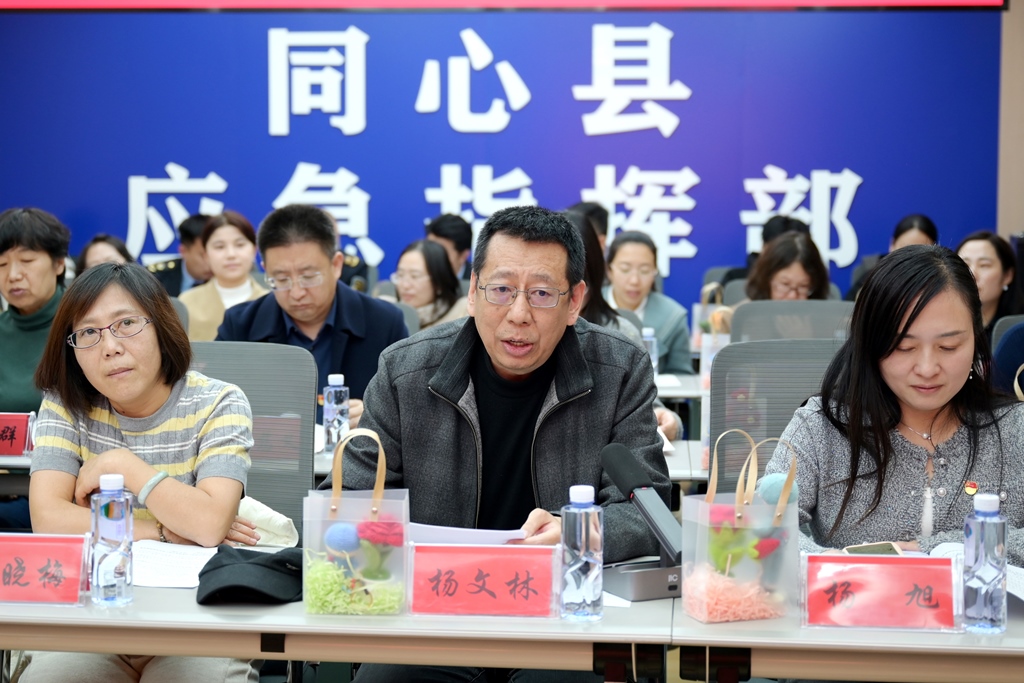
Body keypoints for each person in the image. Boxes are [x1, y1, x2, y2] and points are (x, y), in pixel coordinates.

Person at [333, 206, 670, 682]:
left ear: (575, 301)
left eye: (542, 293)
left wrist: (578, 531)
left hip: (565, 610)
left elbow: (649, 511)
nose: (518, 314)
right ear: (473, 292)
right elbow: (351, 498)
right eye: (502, 289)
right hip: (436, 614)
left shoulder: (620, 369)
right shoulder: (404, 371)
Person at [15, 261, 258, 682]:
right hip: (87, 619)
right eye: (88, 333)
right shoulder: (64, 403)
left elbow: (208, 523)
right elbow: (49, 520)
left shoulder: (219, 402)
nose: (109, 347)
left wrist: (120, 465)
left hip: (196, 621)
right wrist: (163, 530)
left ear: (161, 326)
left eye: (126, 324)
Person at [764, 245, 1024, 564]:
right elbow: (763, 526)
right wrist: (834, 564)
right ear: (871, 344)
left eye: (948, 346)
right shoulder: (821, 426)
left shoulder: (1015, 429)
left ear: (975, 339)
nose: (927, 368)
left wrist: (936, 549)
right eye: (903, 347)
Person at [217, 204, 407, 425]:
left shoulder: (384, 323)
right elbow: (211, 406)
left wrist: (376, 416)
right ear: (265, 270)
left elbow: (412, 408)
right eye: (281, 279)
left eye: (308, 277)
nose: (296, 293)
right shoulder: (240, 326)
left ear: (336, 265)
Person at [566, 210, 683, 440]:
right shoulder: (523, 332)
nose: (568, 297)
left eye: (579, 284)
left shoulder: (622, 333)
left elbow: (648, 406)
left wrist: (668, 419)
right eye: (543, 289)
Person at [0, 208, 71, 530]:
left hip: (68, 492)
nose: (13, 275)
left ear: (59, 264)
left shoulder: (87, 328)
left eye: (26, 261)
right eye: (2, 265)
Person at [603, 230, 694, 375]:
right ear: (609, 270)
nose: (634, 281)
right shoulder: (584, 306)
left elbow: (682, 375)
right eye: (625, 269)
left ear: (654, 272)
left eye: (644, 271)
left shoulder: (673, 316)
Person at [178, 211, 268, 341]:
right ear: (205, 255)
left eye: (240, 245)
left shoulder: (270, 303)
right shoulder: (187, 302)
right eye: (219, 247)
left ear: (254, 250)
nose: (231, 254)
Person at [846, 214, 938, 301]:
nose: (910, 257)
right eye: (904, 249)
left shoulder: (939, 280)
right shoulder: (872, 273)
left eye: (919, 251)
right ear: (892, 244)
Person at [955, 230, 1024, 340]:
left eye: (984, 265)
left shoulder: (1017, 331)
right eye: (964, 265)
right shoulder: (939, 323)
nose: (972, 274)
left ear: (1007, 276)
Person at [389, 239, 468, 330]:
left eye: (415, 276)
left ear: (438, 282)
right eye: (400, 275)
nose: (405, 285)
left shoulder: (462, 312)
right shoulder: (388, 310)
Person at [745, 231, 830, 301]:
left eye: (803, 286)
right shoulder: (744, 314)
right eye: (785, 284)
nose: (792, 296)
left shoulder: (827, 315)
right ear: (766, 281)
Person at [147, 213, 212, 297]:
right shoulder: (156, 279)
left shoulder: (225, 279)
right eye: (203, 255)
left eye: (213, 254)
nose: (210, 262)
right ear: (183, 251)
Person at [425, 213, 473, 280]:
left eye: (441, 252)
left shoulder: (478, 283)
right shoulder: (419, 278)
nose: (432, 259)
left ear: (463, 256)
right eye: (429, 249)